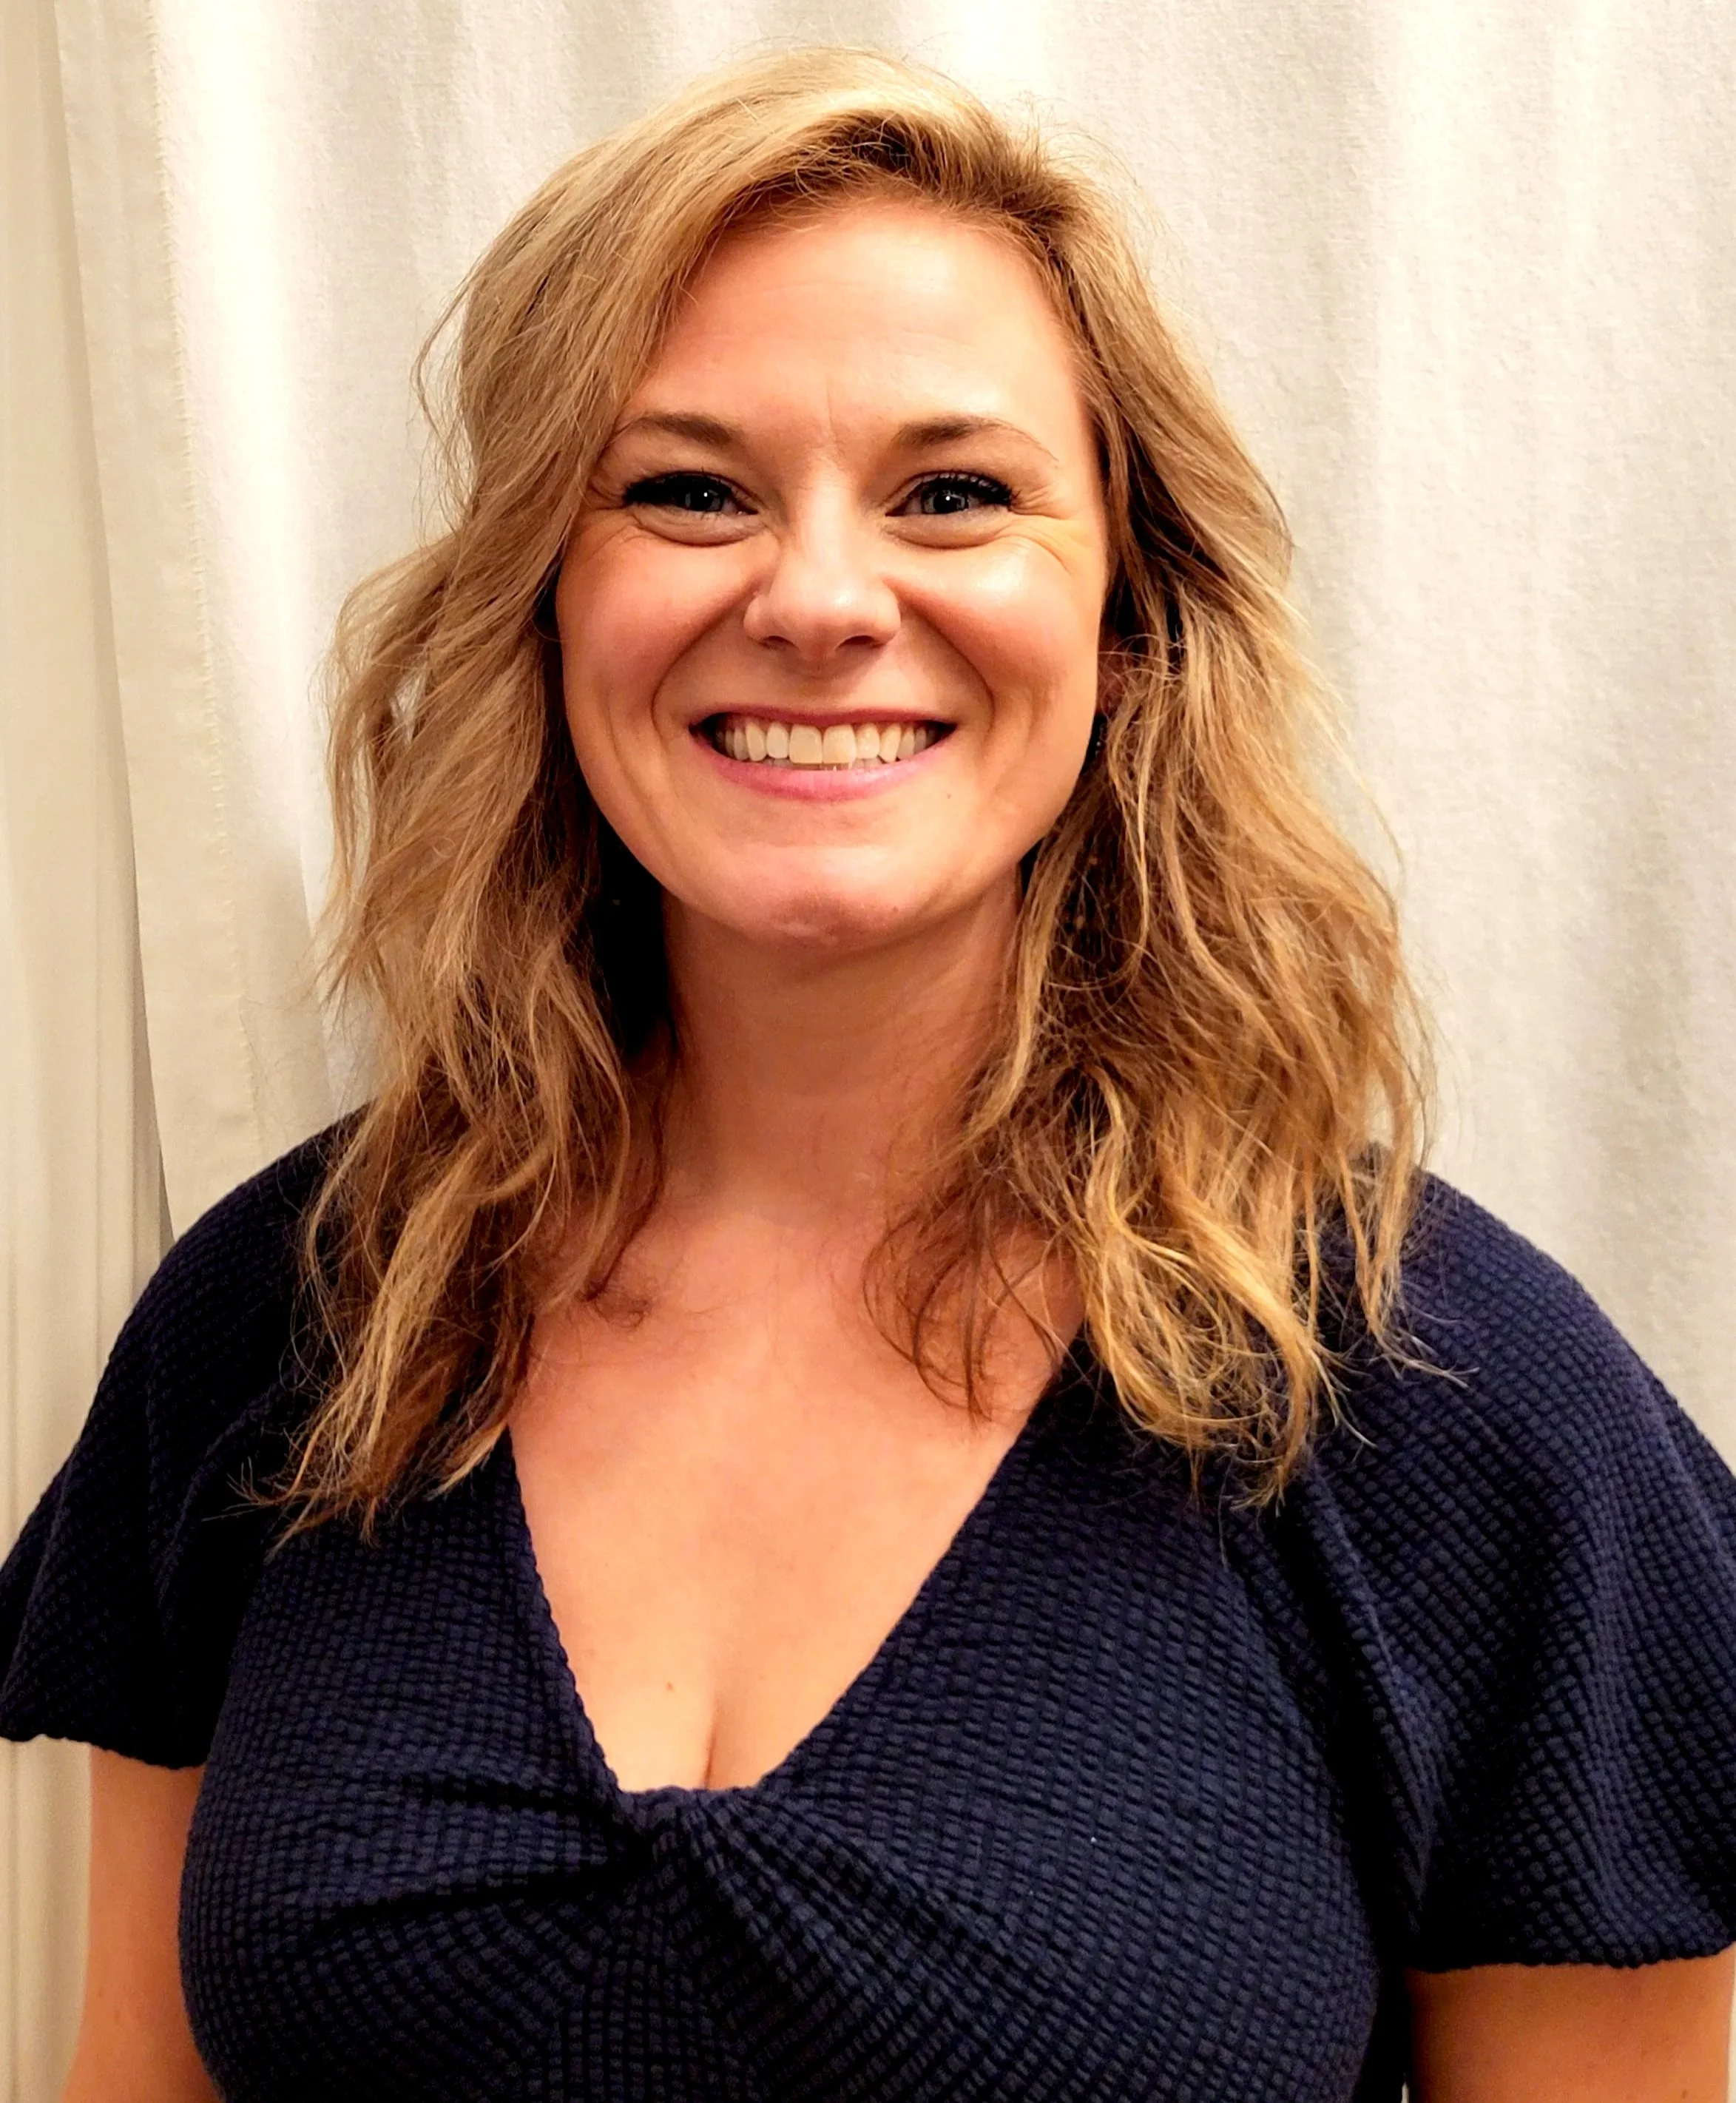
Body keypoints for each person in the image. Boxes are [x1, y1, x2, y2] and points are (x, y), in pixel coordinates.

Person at [3, 46, 1733, 2103]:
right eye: (687, 489)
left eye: (955, 494)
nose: (820, 600)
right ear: (548, 600)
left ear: (1127, 615)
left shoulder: (1458, 1413)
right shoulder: (296, 1322)